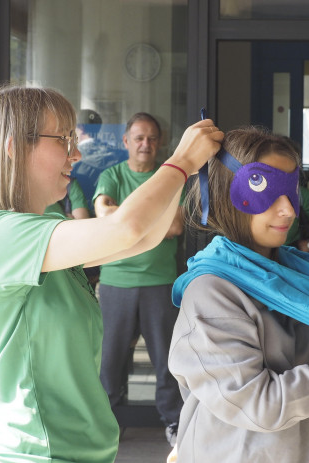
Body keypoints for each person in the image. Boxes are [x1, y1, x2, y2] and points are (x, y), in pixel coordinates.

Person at [0, 85, 221, 462]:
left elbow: (145, 237)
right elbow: (124, 230)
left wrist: (186, 170)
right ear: (14, 147)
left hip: (77, 449)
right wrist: (178, 163)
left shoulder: (45, 222)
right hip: (28, 451)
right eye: (63, 140)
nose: (76, 154)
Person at [168, 126, 309, 462]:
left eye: (291, 191)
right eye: (264, 188)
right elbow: (261, 405)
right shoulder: (212, 293)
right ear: (227, 192)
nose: (289, 210)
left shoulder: (295, 277)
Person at [93, 112, 185, 444]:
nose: (145, 144)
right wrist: (152, 220)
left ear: (159, 143)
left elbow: (176, 226)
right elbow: (103, 215)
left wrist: (128, 222)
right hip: (116, 282)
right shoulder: (112, 174)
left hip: (160, 283)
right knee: (109, 362)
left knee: (166, 361)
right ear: (126, 142)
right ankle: (105, 426)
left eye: (151, 138)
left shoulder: (168, 180)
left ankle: (173, 422)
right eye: (139, 138)